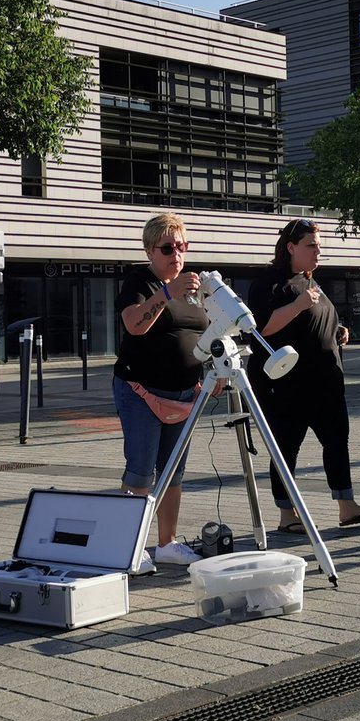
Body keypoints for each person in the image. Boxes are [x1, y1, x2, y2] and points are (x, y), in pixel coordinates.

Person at [247, 219, 360, 534]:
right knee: (285, 448)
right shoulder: (270, 283)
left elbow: (316, 321)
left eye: (319, 245)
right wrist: (296, 305)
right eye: (311, 245)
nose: (318, 251)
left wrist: (337, 331)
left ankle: (346, 507)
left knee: (337, 441)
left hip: (326, 384)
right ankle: (287, 514)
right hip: (286, 386)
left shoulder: (310, 280)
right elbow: (258, 330)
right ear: (290, 247)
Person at [113, 212, 210, 571]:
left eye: (182, 246)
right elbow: (134, 325)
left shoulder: (191, 288)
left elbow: (202, 332)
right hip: (142, 391)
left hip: (185, 393)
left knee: (173, 472)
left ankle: (166, 543)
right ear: (149, 251)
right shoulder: (140, 281)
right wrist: (167, 292)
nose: (177, 254)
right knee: (141, 472)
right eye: (168, 248)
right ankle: (128, 546)